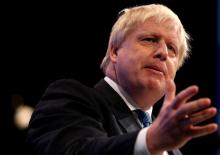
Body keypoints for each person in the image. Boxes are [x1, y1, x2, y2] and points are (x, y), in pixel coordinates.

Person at [26, 4, 218, 155]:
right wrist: (150, 142)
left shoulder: (172, 147)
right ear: (115, 51)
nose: (163, 53)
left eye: (172, 49)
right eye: (149, 39)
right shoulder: (70, 98)